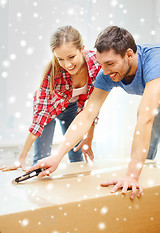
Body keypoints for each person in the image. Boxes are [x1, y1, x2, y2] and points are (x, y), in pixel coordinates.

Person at [25, 26, 160, 199]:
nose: (104, 71)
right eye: (101, 64)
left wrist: (132, 176)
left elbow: (145, 119)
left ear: (128, 55)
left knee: (147, 120)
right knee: (147, 157)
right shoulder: (106, 73)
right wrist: (57, 156)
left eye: (110, 64)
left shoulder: (154, 61)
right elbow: (87, 114)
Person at [1, 25, 101, 171]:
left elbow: (93, 107)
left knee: (76, 155)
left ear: (82, 48)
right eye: (60, 58)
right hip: (50, 110)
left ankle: (78, 187)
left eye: (71, 57)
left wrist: (89, 137)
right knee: (41, 159)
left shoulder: (95, 64)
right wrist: (21, 157)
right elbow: (39, 118)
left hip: (73, 110)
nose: (67, 64)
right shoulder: (52, 74)